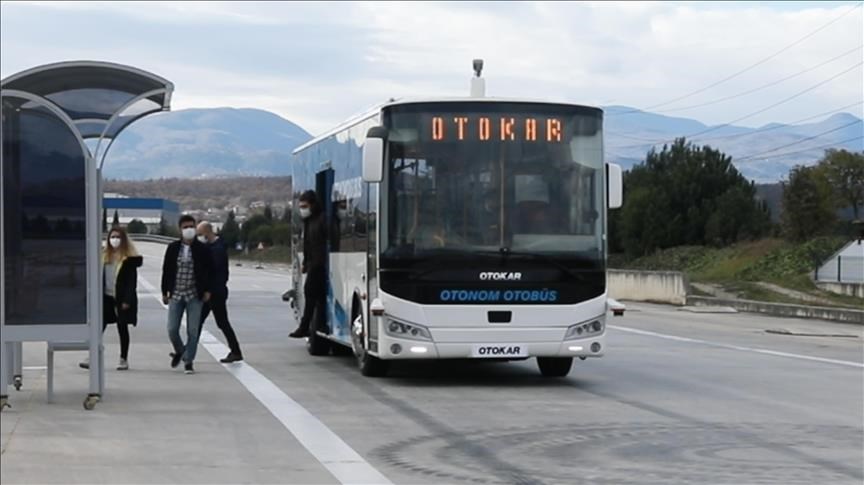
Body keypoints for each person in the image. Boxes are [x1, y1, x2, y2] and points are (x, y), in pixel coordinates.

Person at [80, 228, 142, 371]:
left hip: (121, 299)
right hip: (105, 297)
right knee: (98, 327)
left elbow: (131, 282)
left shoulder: (129, 259)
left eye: (118, 237)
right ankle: (91, 356)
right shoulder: (103, 256)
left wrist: (127, 300)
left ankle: (123, 358)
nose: (115, 240)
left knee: (122, 327)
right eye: (112, 236)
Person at [161, 215, 212, 374]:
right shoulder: (173, 248)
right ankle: (180, 350)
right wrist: (164, 291)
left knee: (193, 330)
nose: (188, 230)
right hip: (176, 293)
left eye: (191, 226)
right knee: (172, 329)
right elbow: (167, 270)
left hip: (194, 295)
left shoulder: (202, 249)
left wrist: (208, 290)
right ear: (180, 229)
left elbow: (209, 271)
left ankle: (188, 360)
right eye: (185, 227)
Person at [196, 221, 243, 363]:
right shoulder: (211, 247)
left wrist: (209, 290)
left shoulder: (217, 249)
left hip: (215, 292)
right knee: (199, 322)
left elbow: (215, 273)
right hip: (211, 291)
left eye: (200, 234)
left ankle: (236, 351)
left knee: (221, 322)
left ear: (207, 232)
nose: (198, 237)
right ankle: (187, 350)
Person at [290, 190, 328, 338]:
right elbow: (307, 245)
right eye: (300, 206)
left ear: (312, 205)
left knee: (310, 292)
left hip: (319, 263)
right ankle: (319, 324)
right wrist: (305, 262)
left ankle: (305, 326)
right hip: (312, 263)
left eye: (305, 206)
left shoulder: (321, 219)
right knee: (317, 296)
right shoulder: (309, 221)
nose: (302, 209)